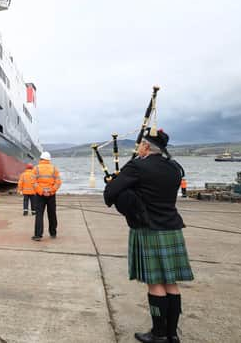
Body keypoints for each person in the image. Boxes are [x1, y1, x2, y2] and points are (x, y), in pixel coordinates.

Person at [103, 128, 193, 343]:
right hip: (172, 228)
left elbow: (111, 193)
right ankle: (172, 334)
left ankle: (158, 334)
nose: (139, 148)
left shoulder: (137, 166)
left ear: (145, 146)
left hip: (148, 229)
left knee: (155, 284)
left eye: (140, 145)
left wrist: (113, 182)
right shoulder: (174, 168)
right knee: (170, 282)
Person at [31, 152, 62, 240]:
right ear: (49, 159)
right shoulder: (54, 169)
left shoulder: (36, 168)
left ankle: (38, 235)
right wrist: (51, 191)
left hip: (40, 195)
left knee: (39, 214)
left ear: (41, 159)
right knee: (52, 214)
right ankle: (53, 233)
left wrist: (42, 191)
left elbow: (33, 182)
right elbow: (58, 182)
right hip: (51, 195)